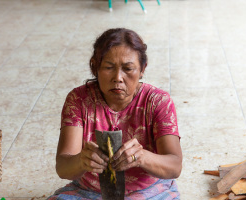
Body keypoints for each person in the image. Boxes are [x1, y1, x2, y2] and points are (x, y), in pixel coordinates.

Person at [47, 28, 182, 200]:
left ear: (142, 69)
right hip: (90, 191)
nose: (118, 77)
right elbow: (63, 168)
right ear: (95, 67)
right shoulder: (79, 100)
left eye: (128, 68)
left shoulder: (158, 101)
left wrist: (142, 157)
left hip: (150, 191)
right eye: (109, 67)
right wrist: (82, 160)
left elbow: (175, 166)